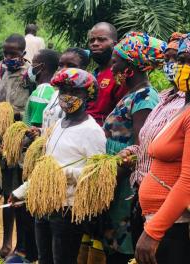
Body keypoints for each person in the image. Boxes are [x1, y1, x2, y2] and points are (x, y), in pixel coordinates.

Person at [11, 68, 106, 264]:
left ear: (88, 96)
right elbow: (45, 167)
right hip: (45, 205)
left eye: (74, 92)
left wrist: (64, 174)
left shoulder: (92, 131)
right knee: (44, 259)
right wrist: (22, 191)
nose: (67, 97)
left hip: (66, 210)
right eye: (63, 91)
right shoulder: (58, 125)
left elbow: (97, 174)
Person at [117, 32, 186, 249]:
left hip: (172, 217)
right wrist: (132, 151)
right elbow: (149, 142)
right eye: (170, 59)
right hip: (144, 201)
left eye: (180, 59)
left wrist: (155, 230)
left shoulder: (154, 99)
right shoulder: (165, 98)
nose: (173, 65)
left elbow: (187, 179)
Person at [102, 32, 164, 264]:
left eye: (116, 61)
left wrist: (110, 178)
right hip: (114, 178)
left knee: (122, 245)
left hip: (123, 182)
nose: (112, 65)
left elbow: (140, 149)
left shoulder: (146, 98)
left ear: (132, 65)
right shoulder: (132, 94)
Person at [135, 33, 190, 264]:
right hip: (164, 222)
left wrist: (153, 232)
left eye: (189, 61)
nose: (182, 67)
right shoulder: (181, 108)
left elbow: (188, 180)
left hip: (175, 225)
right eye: (181, 60)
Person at [0, 33, 36, 261]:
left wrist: (15, 116)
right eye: (6, 53)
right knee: (7, 193)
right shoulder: (2, 71)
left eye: (14, 53)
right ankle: (5, 243)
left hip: (23, 142)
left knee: (20, 195)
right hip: (5, 144)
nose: (9, 57)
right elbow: (0, 101)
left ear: (23, 54)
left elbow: (32, 110)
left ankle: (21, 246)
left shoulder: (30, 76)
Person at [87, 22, 128, 126]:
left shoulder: (120, 77)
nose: (95, 43)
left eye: (101, 39)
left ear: (115, 44)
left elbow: (123, 118)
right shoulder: (91, 75)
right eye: (92, 40)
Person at [42, 47, 90, 131]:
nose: (63, 69)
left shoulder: (84, 97)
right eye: (60, 65)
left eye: (71, 66)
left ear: (84, 69)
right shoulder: (55, 94)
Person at [24, 49, 60, 128]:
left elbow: (35, 129)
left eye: (33, 63)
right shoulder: (52, 90)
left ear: (42, 66)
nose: (31, 67)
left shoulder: (40, 94)